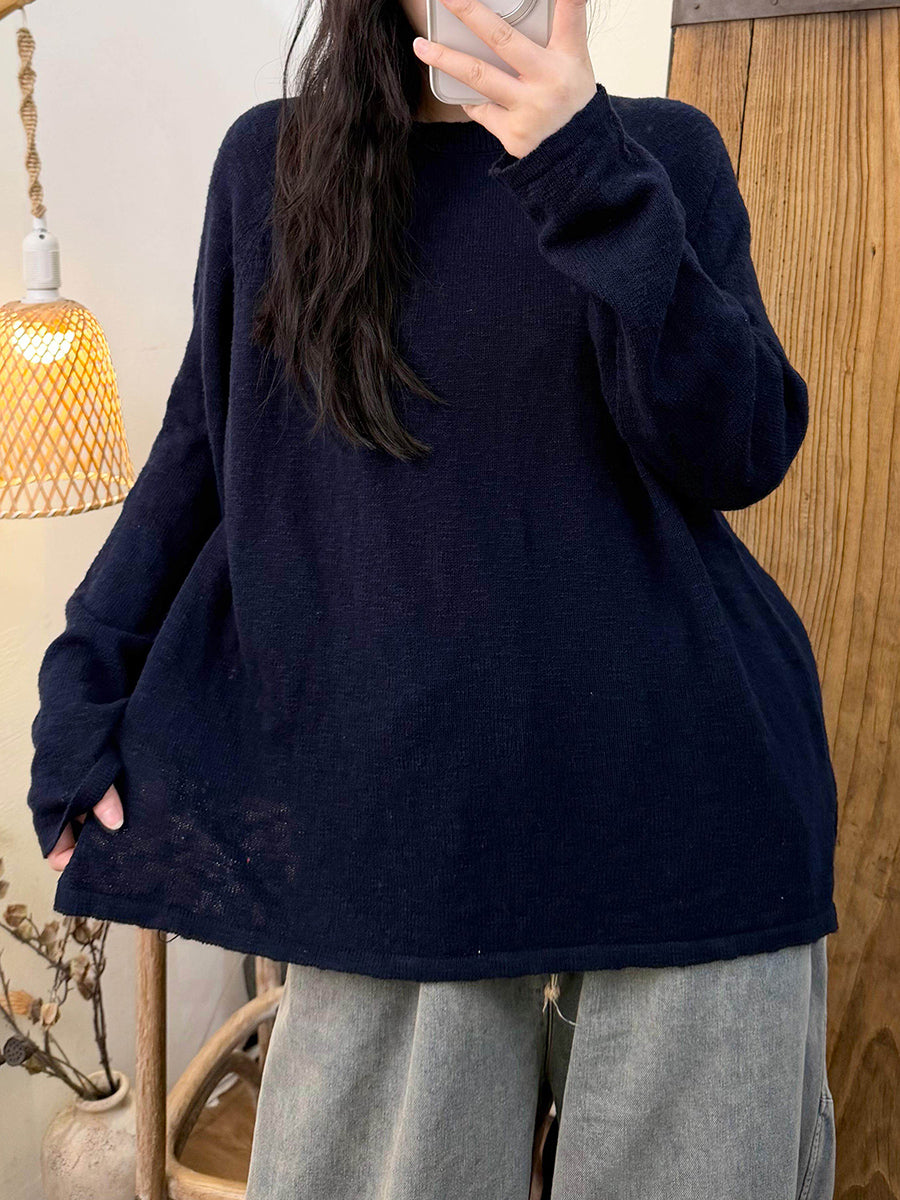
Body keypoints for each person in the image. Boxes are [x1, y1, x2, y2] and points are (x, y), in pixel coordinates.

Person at [28, 0, 838, 1195]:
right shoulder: (276, 166)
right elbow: (203, 449)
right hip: (397, 840)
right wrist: (83, 681)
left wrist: (584, 166)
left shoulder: (663, 152)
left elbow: (742, 449)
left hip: (690, 815)